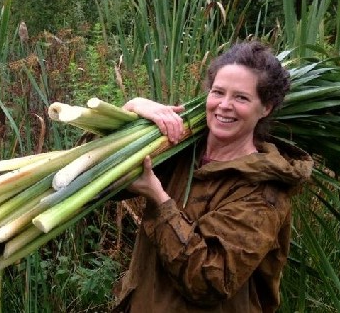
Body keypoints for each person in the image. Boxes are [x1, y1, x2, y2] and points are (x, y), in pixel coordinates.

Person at [111, 41, 314, 312]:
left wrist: (160, 201)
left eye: (241, 98)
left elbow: (209, 281)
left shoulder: (264, 193)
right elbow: (92, 180)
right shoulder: (176, 150)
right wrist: (131, 115)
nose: (224, 105)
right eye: (218, 92)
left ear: (265, 108)